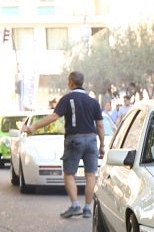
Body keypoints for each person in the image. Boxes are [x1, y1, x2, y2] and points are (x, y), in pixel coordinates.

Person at [23, 71, 105, 218]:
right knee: (91, 175)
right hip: (92, 140)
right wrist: (103, 145)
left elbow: (54, 116)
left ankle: (75, 206)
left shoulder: (68, 99)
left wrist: (34, 127)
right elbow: (100, 125)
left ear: (71, 82)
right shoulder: (93, 102)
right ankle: (87, 208)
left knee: (69, 174)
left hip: (74, 140)